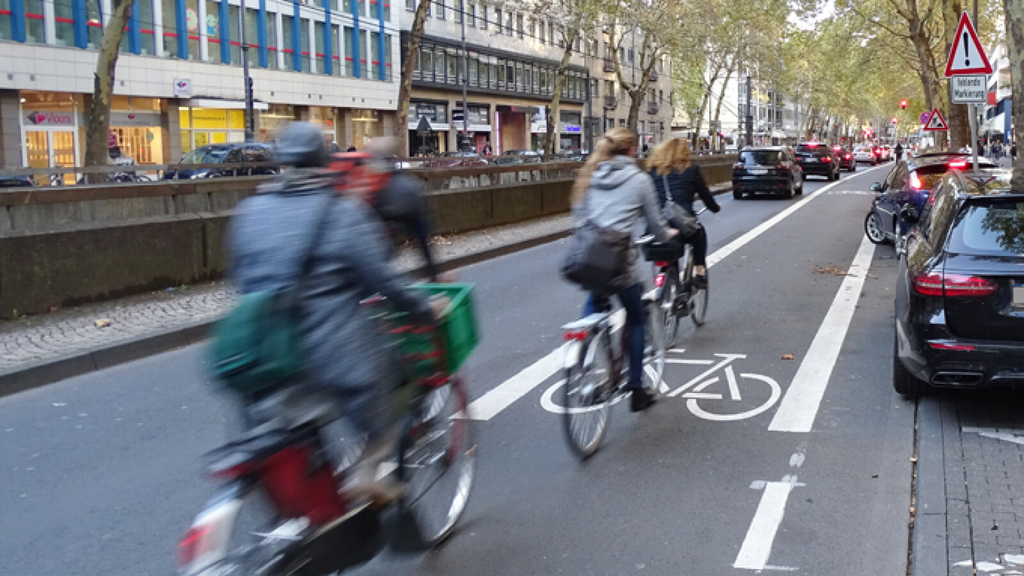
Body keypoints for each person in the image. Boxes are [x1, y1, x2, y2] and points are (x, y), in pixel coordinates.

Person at [227, 122, 435, 503]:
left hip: (262, 351)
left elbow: (239, 278)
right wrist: (424, 310)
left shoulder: (249, 210)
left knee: (280, 427)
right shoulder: (342, 213)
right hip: (330, 352)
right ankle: (367, 471)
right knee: (393, 380)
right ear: (324, 161)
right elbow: (384, 282)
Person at [570, 127, 677, 412]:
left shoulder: (591, 175)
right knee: (637, 317)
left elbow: (579, 219)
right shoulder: (639, 179)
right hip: (619, 264)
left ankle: (585, 355)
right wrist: (668, 234)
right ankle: (636, 389)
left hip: (588, 259)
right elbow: (655, 224)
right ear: (632, 149)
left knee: (595, 301)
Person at [648, 138, 721, 288]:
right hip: (682, 224)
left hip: (656, 225)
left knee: (669, 248)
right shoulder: (691, 170)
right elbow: (705, 194)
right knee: (700, 235)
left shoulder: (653, 172)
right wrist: (714, 208)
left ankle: (668, 283)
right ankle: (699, 273)